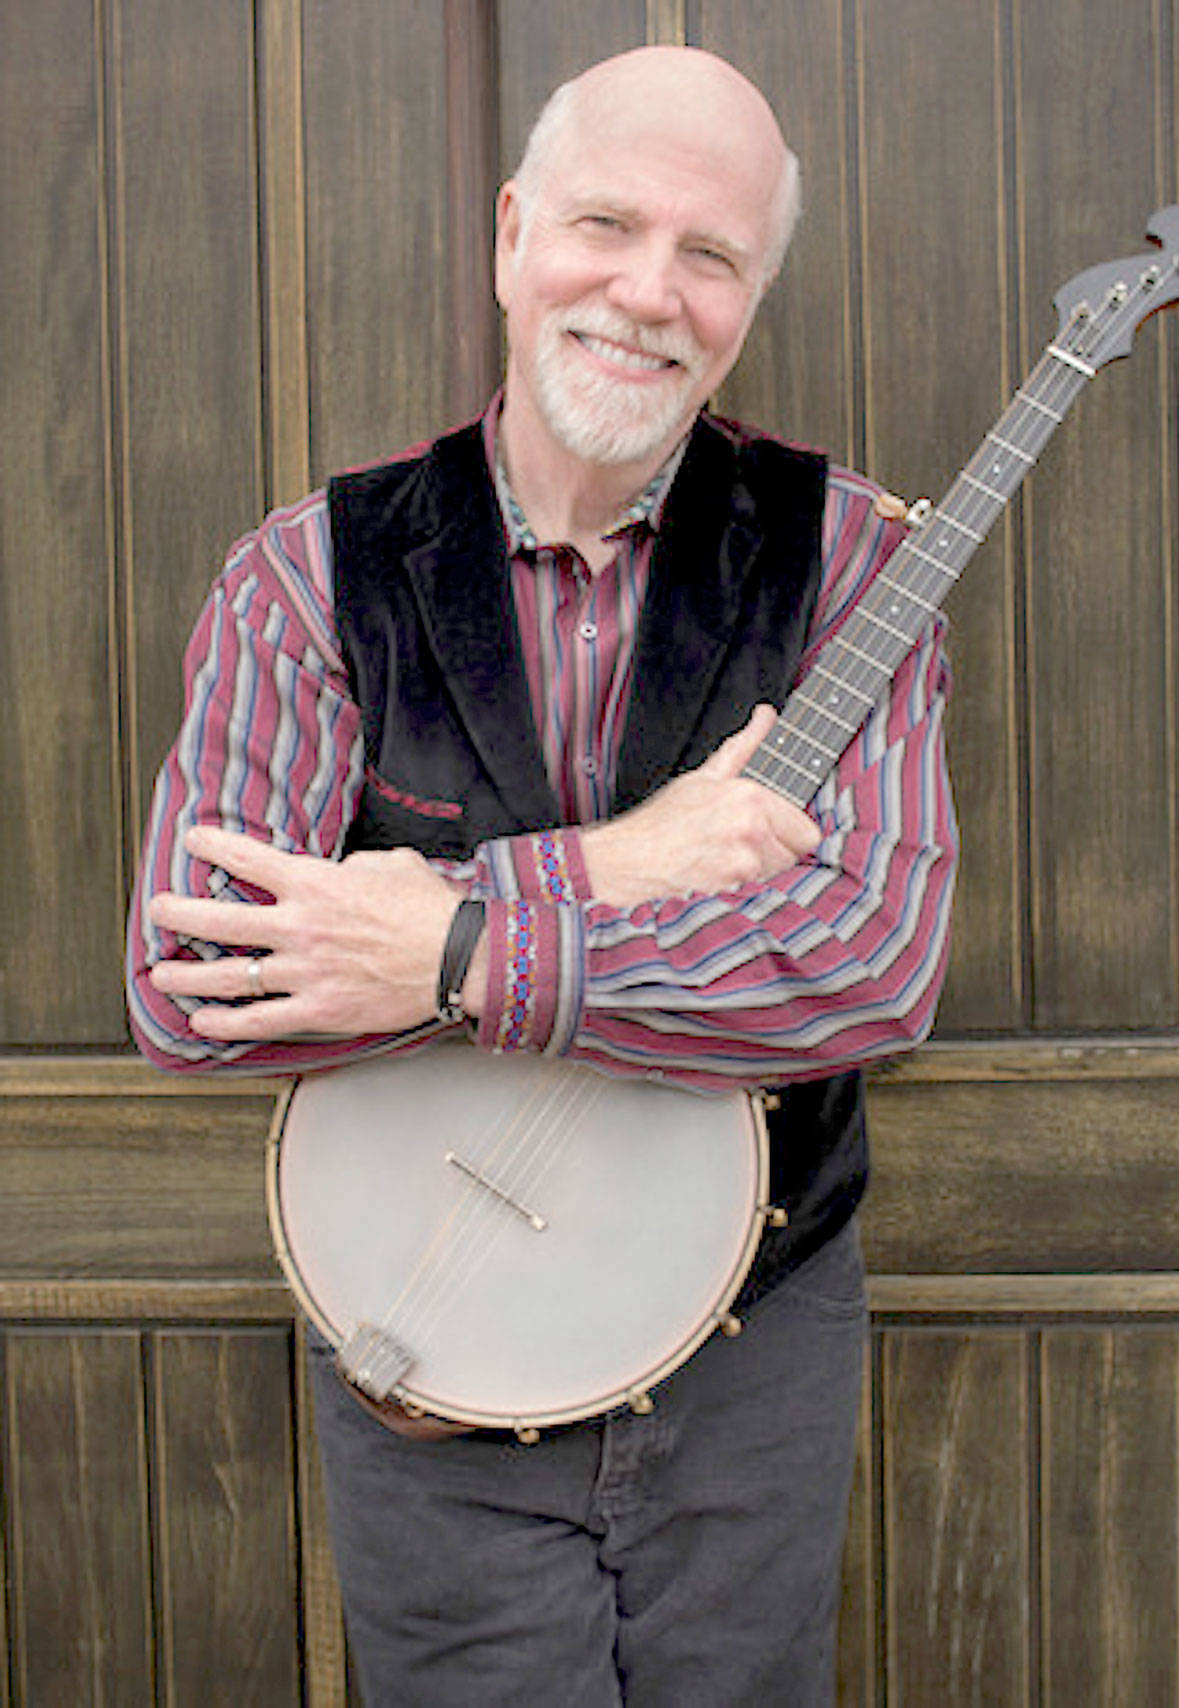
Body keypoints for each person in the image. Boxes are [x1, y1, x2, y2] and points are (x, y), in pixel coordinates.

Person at [127, 44, 956, 1707]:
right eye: (605, 225)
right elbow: (192, 990)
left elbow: (870, 964)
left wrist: (447, 955)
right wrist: (615, 870)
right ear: (513, 236)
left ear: (750, 296)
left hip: (758, 1343)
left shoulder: (860, 558)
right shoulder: (307, 578)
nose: (649, 292)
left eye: (710, 256)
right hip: (425, 1340)